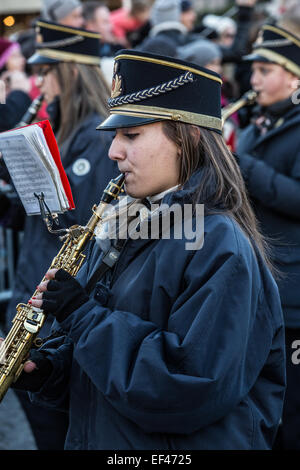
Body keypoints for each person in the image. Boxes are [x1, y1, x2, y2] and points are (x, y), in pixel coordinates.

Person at [10, 49, 286, 450]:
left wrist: (82, 317)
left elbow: (188, 385)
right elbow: (109, 371)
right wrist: (50, 369)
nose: (113, 151)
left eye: (132, 135)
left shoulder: (217, 243)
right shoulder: (132, 222)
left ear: (188, 136)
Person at [0, 20, 118, 450]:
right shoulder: (64, 129)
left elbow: (85, 224)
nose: (39, 83)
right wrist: (11, 205)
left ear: (70, 71)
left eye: (46, 72)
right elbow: (40, 219)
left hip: (61, 302)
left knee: (56, 427)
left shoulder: (96, 135)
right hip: (32, 290)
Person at [236, 18, 300, 449]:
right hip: (257, 280)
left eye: (264, 70)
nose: (253, 79)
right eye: (253, 70)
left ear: (294, 77)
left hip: (293, 289)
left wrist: (244, 164)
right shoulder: (255, 122)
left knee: (292, 410)